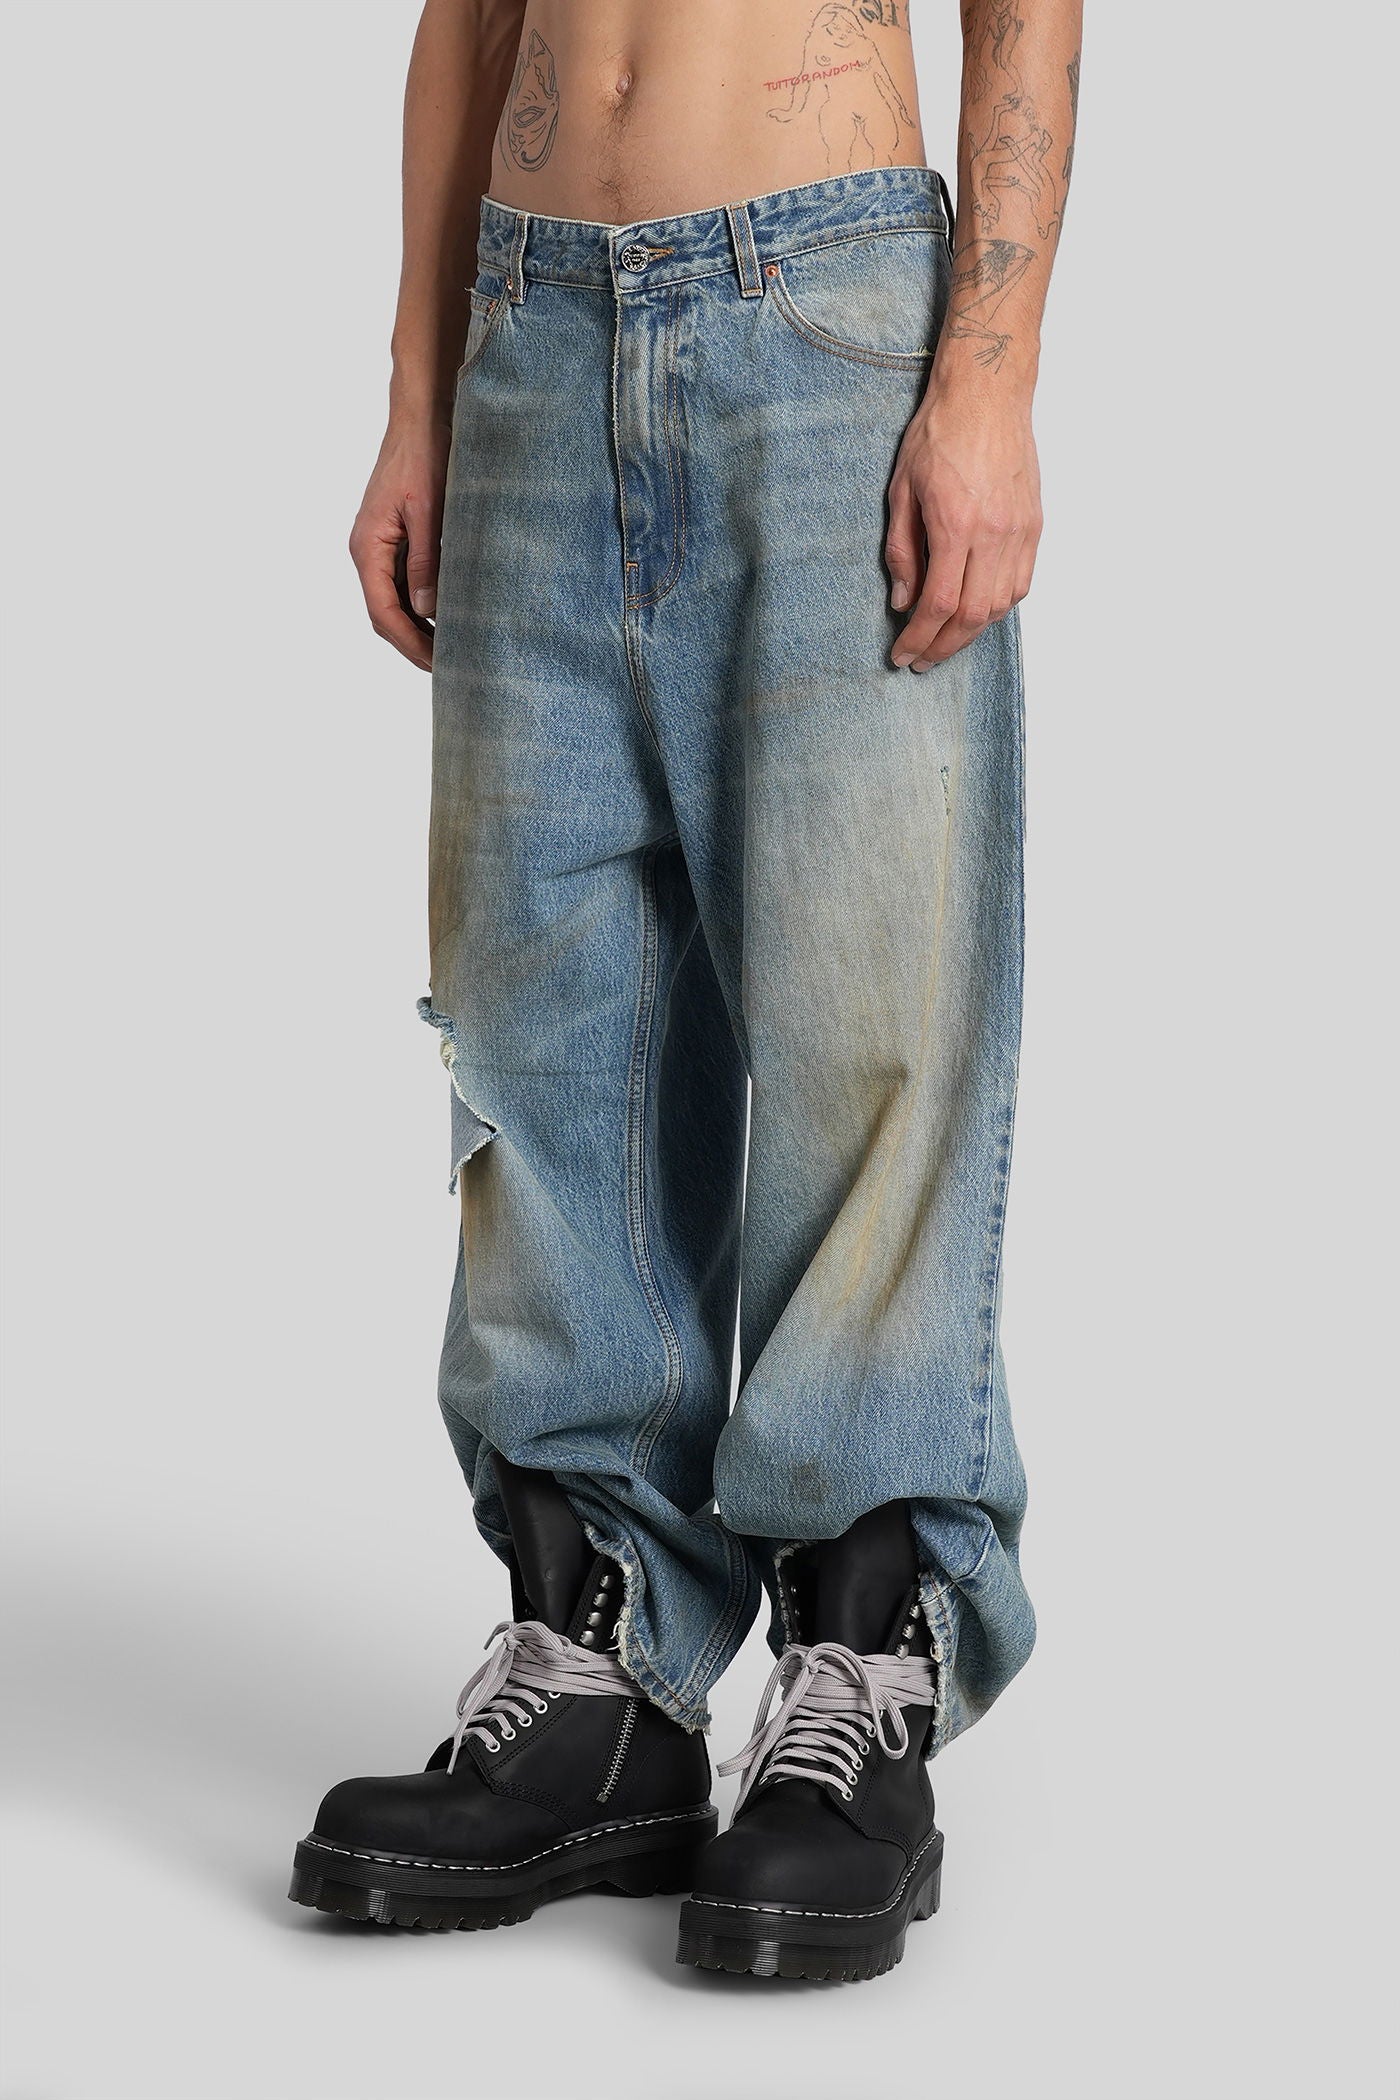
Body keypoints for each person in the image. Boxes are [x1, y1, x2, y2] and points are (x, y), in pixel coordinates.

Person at [289, 0, 1080, 1982]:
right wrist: (419, 391)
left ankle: (860, 1678)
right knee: (540, 1025)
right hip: (531, 317)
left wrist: (986, 378)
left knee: (863, 1013)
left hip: (824, 303)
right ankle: (600, 1684)